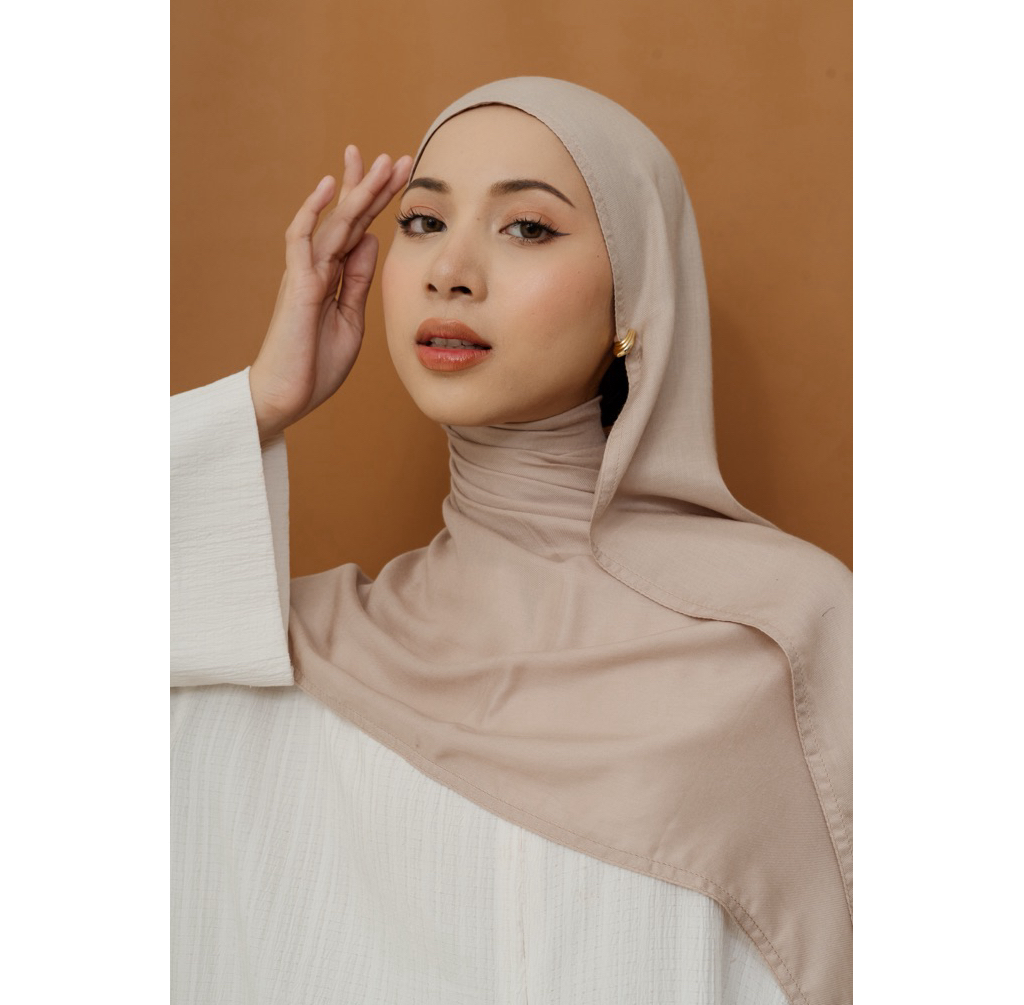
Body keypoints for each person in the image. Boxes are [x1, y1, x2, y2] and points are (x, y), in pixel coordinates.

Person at [171, 77, 851, 1005]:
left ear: (635, 293)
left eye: (527, 227)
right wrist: (262, 397)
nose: (450, 270)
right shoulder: (287, 653)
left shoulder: (788, 638)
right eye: (422, 222)